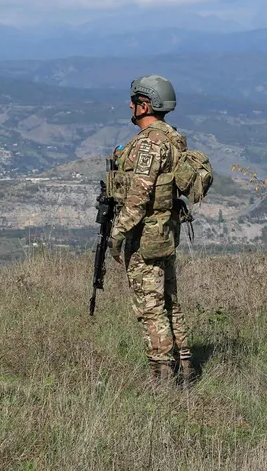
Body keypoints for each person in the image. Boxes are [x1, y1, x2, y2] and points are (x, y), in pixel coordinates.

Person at [108, 75, 195, 385]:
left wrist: (117, 234)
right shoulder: (173, 137)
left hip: (145, 235)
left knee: (149, 304)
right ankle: (185, 366)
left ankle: (162, 375)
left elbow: (139, 196)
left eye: (134, 102)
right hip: (166, 230)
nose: (130, 107)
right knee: (169, 299)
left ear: (145, 105)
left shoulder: (149, 143)